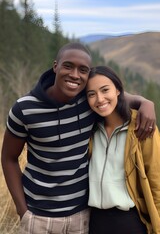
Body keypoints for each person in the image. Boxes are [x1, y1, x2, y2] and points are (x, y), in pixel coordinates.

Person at [1, 42, 156, 234]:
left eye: (83, 70)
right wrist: (22, 211)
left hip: (81, 218)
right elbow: (8, 158)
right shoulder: (24, 108)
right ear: (55, 66)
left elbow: (116, 97)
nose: (75, 75)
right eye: (68, 66)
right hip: (38, 217)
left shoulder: (88, 100)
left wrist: (145, 102)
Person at [86, 65, 160, 234]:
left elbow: (157, 181)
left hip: (130, 222)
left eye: (105, 90)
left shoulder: (142, 126)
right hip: (94, 222)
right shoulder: (90, 129)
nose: (100, 99)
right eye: (91, 94)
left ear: (118, 90)